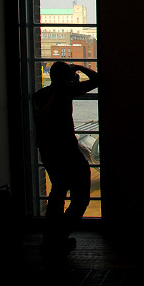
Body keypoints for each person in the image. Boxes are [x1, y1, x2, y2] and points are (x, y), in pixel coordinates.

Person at [32, 61, 99, 255]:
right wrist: (79, 67)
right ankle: (60, 234)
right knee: (81, 195)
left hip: (48, 150)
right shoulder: (65, 92)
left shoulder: (39, 95)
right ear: (65, 77)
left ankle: (52, 236)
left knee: (58, 192)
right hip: (67, 150)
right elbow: (96, 80)